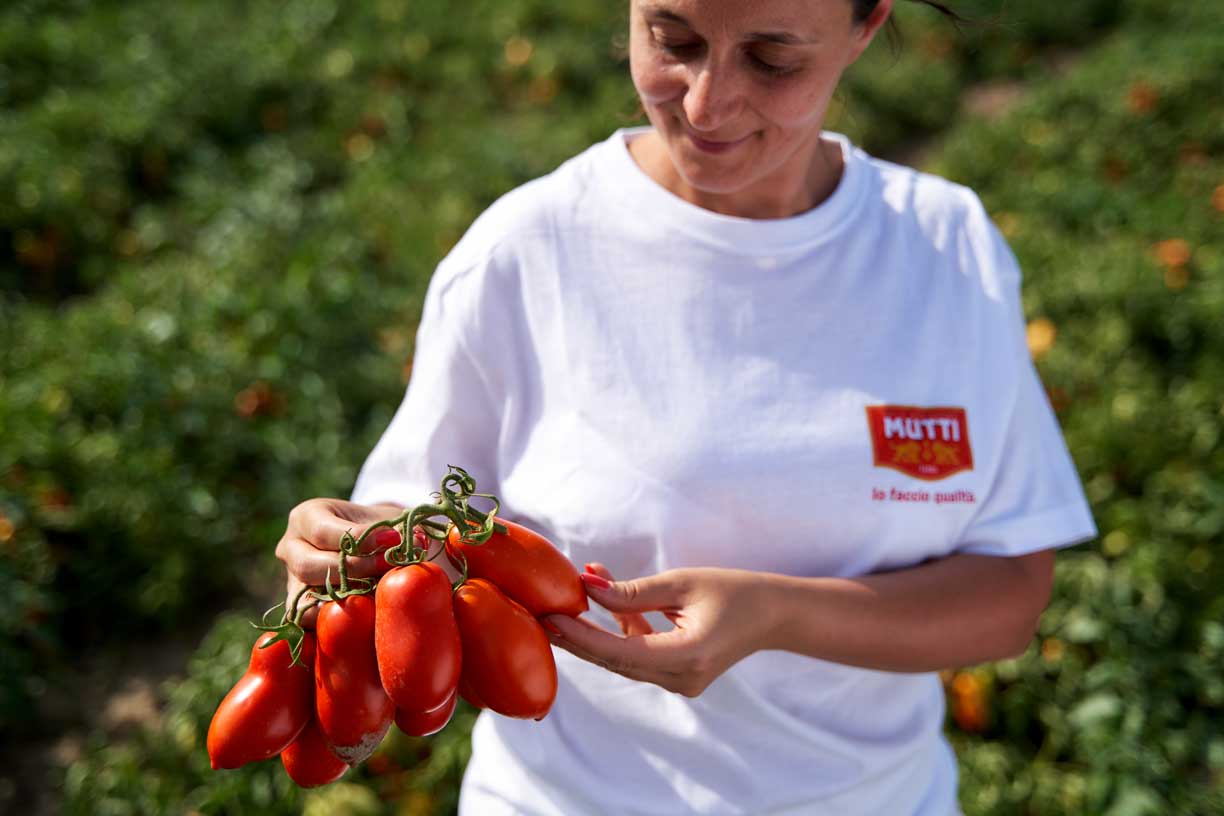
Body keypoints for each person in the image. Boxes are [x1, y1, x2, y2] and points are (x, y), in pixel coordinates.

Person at [275, 0, 1097, 812]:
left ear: (866, 29)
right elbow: (406, 522)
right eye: (673, 40)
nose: (706, 102)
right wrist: (346, 551)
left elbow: (1011, 591)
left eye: (773, 59)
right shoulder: (526, 252)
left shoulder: (945, 248)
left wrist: (777, 615)